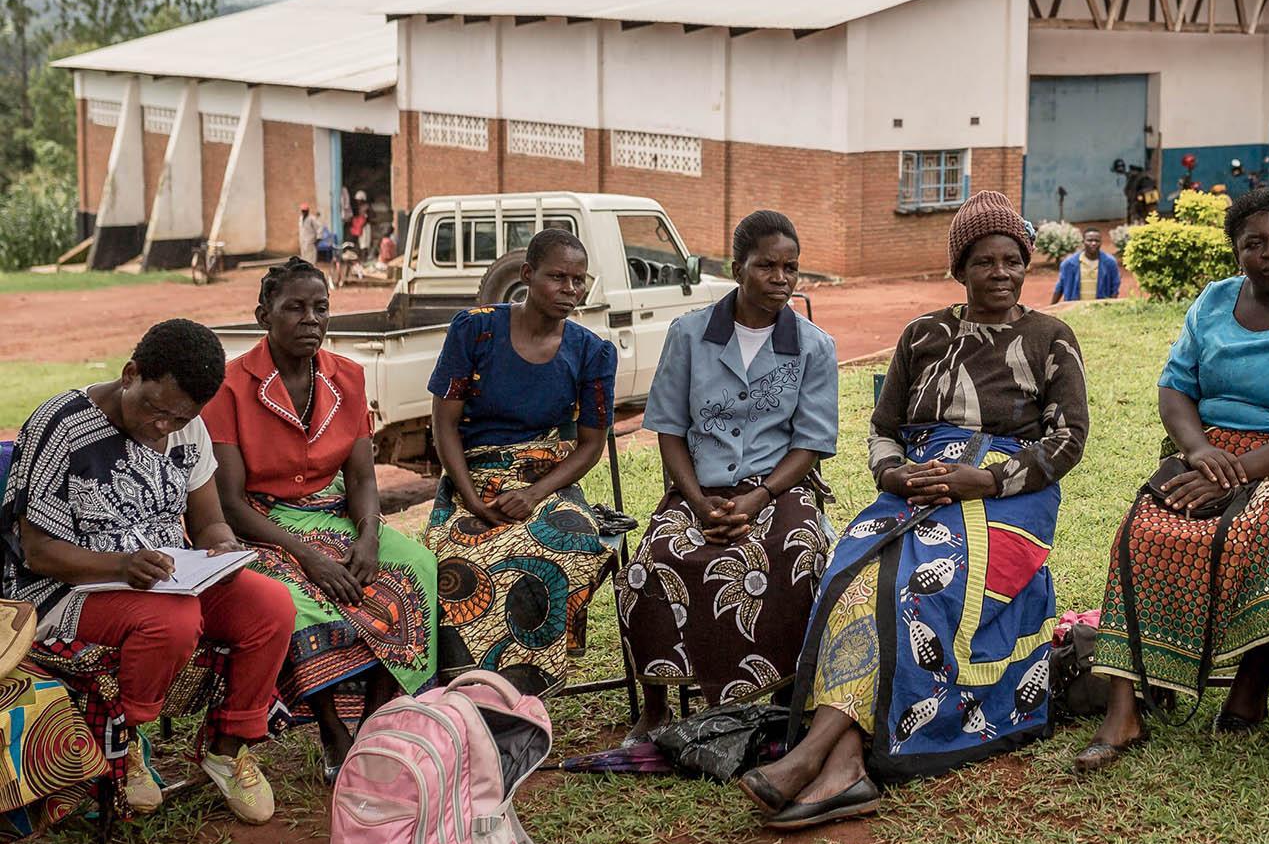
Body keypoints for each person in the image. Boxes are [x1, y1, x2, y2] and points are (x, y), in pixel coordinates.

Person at [740, 192, 1087, 828]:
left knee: (913, 586)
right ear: (961, 268)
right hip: (916, 484)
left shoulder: (1050, 338)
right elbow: (882, 428)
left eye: (1013, 259)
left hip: (1010, 497)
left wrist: (979, 479)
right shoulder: (924, 334)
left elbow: (1067, 442)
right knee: (855, 571)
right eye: (985, 261)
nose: (1002, 273)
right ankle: (842, 763)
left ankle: (816, 754)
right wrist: (896, 473)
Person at [1077, 186, 1269, 771]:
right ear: (1237, 253)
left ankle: (1253, 676)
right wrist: (1197, 451)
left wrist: (1239, 474)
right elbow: (1175, 387)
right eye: (1254, 243)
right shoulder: (1213, 303)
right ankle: (1124, 709)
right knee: (1144, 529)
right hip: (1208, 455)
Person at [0, 320, 294, 823]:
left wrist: (221, 548)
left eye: (179, 418)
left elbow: (208, 522)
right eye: (156, 410)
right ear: (130, 373)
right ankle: (127, 744)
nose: (164, 427)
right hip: (64, 588)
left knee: (270, 607)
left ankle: (227, 746)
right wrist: (121, 565)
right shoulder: (62, 426)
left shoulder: (187, 428)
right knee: (172, 621)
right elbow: (39, 551)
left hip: (162, 578)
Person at [205, 258, 438, 777]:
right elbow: (230, 503)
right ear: (264, 314)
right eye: (295, 307)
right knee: (301, 602)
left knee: (416, 569)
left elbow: (360, 480)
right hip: (260, 525)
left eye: (321, 308)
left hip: (332, 515)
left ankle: (377, 717)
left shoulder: (346, 378)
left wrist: (370, 535)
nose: (311, 318)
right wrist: (306, 556)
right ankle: (333, 731)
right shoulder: (230, 387)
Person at [618, 210, 837, 736]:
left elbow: (809, 443)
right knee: (654, 561)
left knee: (796, 554)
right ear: (737, 267)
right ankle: (656, 709)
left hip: (778, 487)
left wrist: (759, 497)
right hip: (699, 487)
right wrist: (694, 502)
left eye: (791, 268)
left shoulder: (813, 346)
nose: (781, 279)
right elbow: (669, 429)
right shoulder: (689, 335)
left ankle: (785, 696)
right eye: (767, 266)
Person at [425, 228, 618, 696]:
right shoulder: (474, 329)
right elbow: (444, 423)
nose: (570, 290)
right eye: (557, 277)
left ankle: (526, 691)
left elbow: (590, 445)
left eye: (578, 280)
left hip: (548, 478)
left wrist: (535, 493)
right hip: (473, 473)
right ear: (527, 275)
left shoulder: (593, 352)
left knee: (567, 544)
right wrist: (469, 495)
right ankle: (465, 691)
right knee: (453, 558)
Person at [1051, 228, 1121, 305]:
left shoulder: (1110, 263)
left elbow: (1114, 288)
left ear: (1101, 242)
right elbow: (1060, 287)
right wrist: (1051, 309)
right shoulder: (1069, 264)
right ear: (1083, 242)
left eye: (1097, 241)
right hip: (1075, 309)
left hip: (1100, 309)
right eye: (1089, 240)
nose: (1093, 243)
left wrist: (1110, 308)